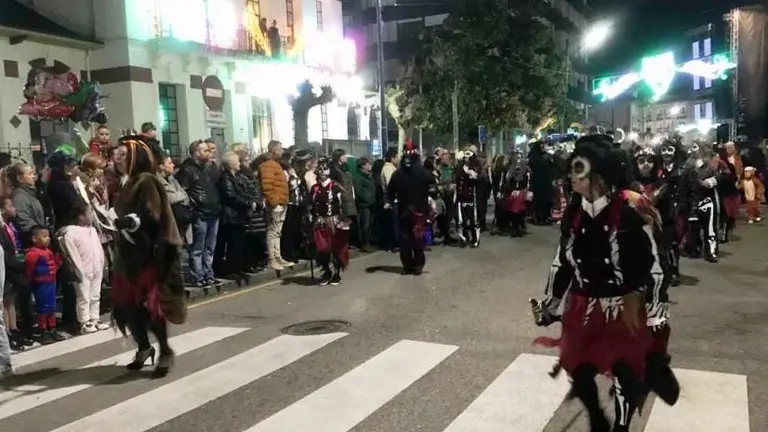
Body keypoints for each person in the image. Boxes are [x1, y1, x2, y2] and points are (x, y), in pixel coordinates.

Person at [531, 134, 673, 432]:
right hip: (583, 305)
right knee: (579, 368)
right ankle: (596, 415)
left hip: (624, 303)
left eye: (578, 169)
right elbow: (562, 262)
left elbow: (656, 263)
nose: (571, 176)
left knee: (625, 369)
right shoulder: (573, 214)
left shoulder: (632, 211)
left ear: (598, 174)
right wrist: (552, 304)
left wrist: (657, 306)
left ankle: (621, 425)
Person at [111, 135, 186, 378]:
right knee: (127, 307)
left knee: (151, 307)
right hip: (129, 254)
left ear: (136, 157)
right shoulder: (127, 181)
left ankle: (165, 350)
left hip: (149, 254)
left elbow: (152, 217)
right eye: (117, 155)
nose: (117, 159)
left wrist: (130, 222)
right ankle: (144, 348)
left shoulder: (147, 181)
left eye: (123, 155)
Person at [387, 140, 435, 275]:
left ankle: (411, 265)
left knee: (409, 239)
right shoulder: (420, 172)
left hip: (410, 210)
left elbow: (391, 190)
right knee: (413, 239)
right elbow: (432, 187)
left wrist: (390, 200)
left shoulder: (401, 172)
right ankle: (415, 265)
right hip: (414, 210)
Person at [59, 203, 108, 334]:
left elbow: (98, 248)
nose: (92, 215)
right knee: (83, 297)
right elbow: (71, 254)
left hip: (96, 268)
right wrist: (77, 270)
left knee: (95, 295)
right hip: (83, 271)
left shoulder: (92, 230)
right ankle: (84, 322)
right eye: (89, 212)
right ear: (81, 216)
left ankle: (94, 318)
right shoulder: (70, 233)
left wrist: (103, 264)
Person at [309, 158, 349, 285]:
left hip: (335, 221)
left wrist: (344, 221)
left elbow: (345, 204)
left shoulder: (336, 187)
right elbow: (309, 205)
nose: (321, 171)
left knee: (336, 248)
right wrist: (309, 215)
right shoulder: (314, 188)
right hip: (320, 222)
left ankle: (336, 273)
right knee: (322, 249)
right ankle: (326, 271)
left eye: (324, 169)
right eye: (319, 169)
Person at [25, 225, 66, 344]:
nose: (48, 239)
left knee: (52, 306)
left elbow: (54, 266)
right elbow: (29, 271)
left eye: (48, 236)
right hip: (40, 285)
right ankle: (43, 330)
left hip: (51, 283)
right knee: (43, 307)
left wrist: (58, 262)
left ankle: (52, 328)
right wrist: (30, 283)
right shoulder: (33, 254)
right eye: (44, 236)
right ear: (34, 239)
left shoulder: (48, 251)